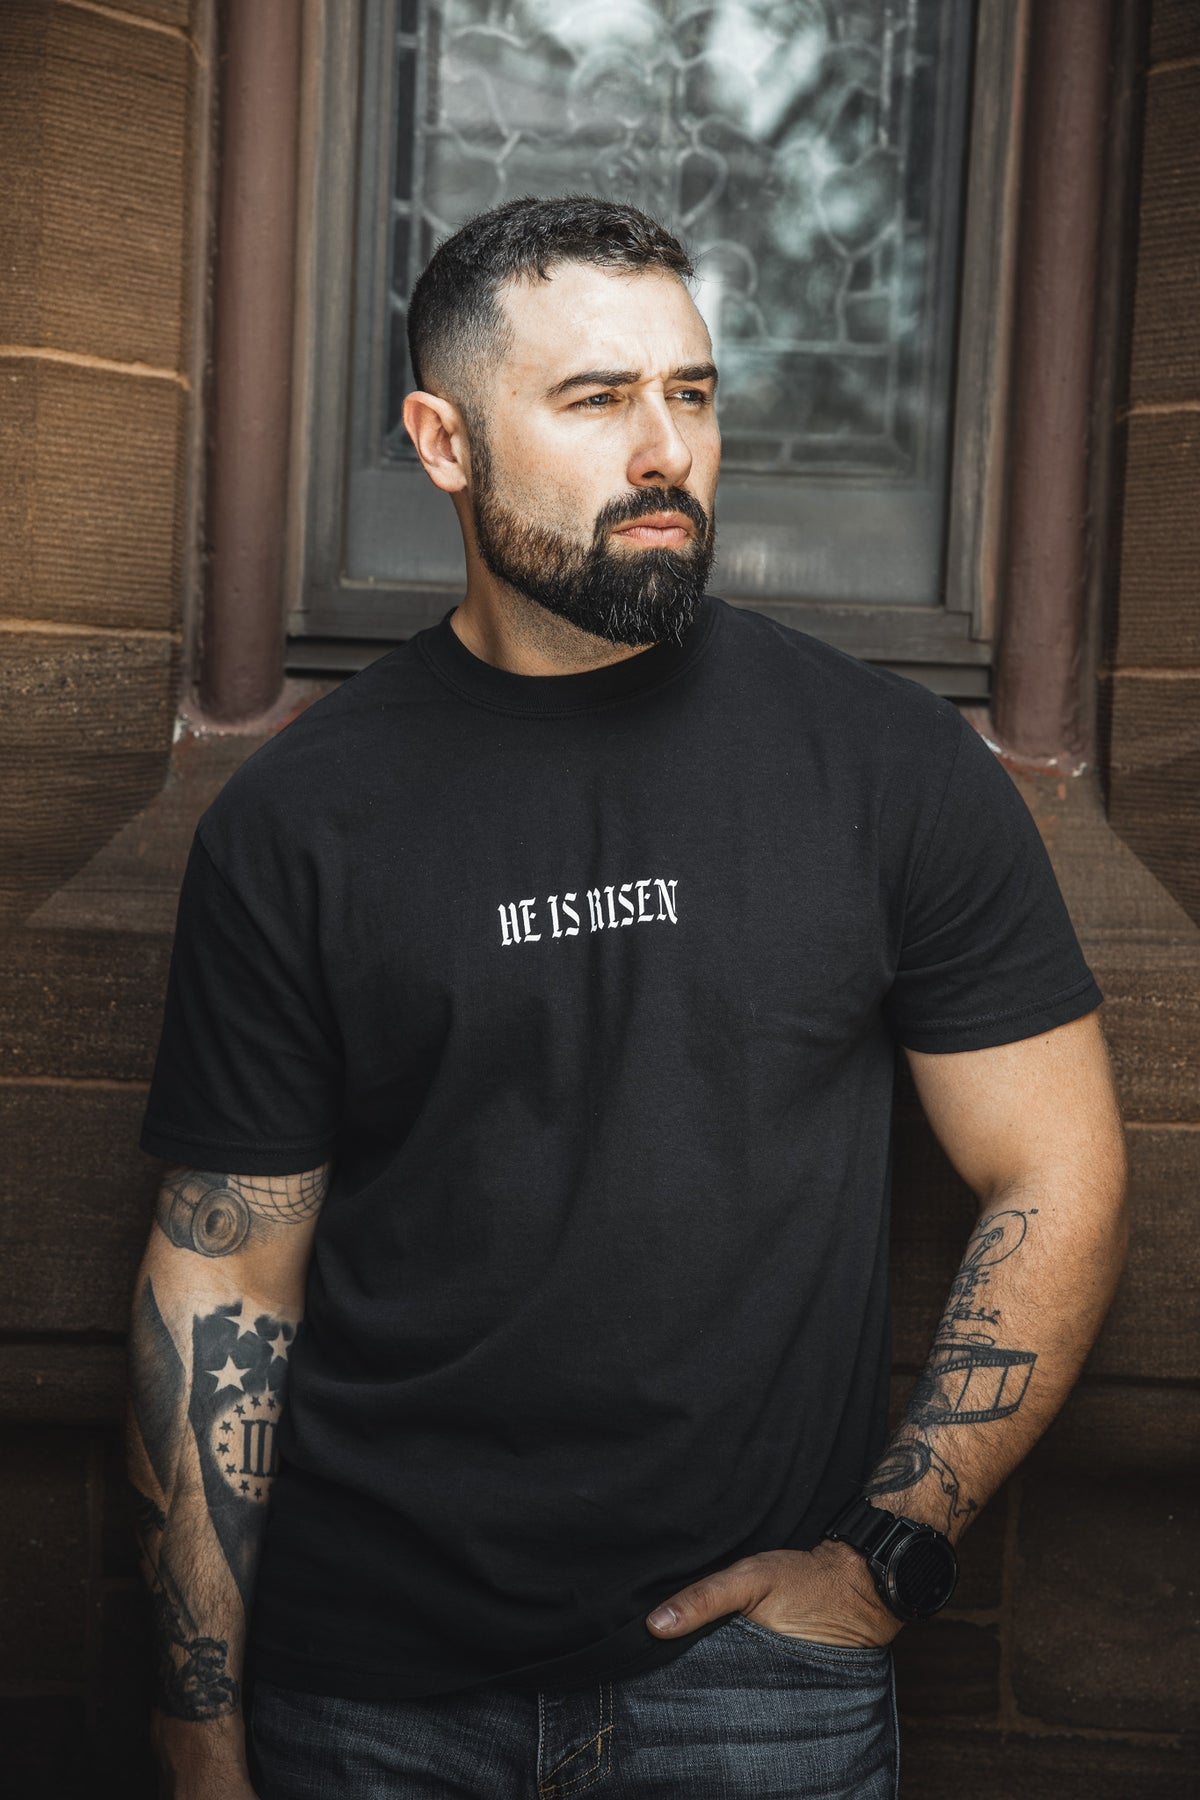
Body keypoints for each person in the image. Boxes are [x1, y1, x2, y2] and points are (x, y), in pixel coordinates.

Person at [128, 196, 1127, 1800]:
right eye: (597, 400)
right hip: (370, 1690)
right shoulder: (300, 821)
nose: (665, 447)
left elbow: (1059, 1170)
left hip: (757, 1694)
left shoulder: (886, 767)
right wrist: (196, 1726)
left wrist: (885, 1558)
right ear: (443, 443)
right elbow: (228, 1279)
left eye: (695, 393)